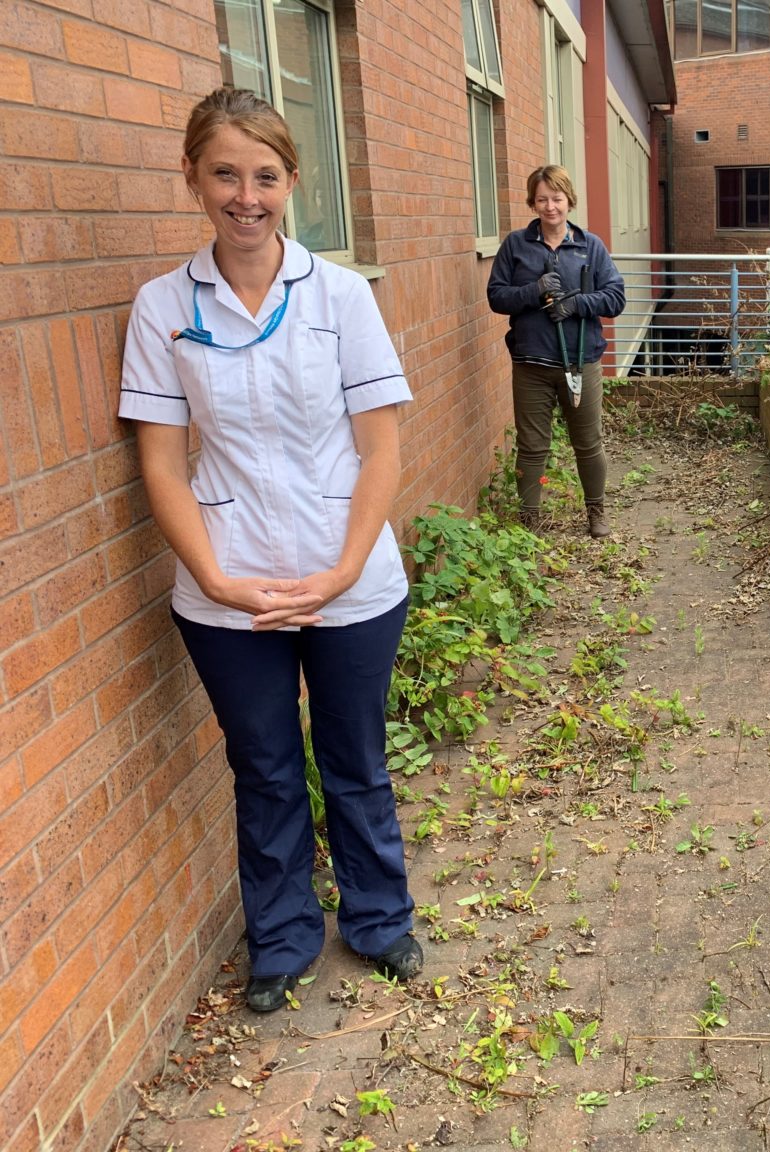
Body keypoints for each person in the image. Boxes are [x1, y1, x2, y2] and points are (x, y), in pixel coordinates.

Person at [119, 88, 422, 1012]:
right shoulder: (162, 306)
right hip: (227, 589)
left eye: (265, 176)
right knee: (263, 767)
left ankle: (378, 920)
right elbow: (161, 463)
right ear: (193, 178)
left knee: (355, 757)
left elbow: (382, 447)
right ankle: (283, 939)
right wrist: (213, 576)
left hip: (351, 581)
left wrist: (336, 573)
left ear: (292, 181)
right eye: (225, 174)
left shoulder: (338, 295)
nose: (245, 196)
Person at [487, 166, 626, 538]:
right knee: (532, 446)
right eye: (542, 199)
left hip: (581, 362)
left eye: (557, 198)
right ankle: (529, 519)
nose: (550, 206)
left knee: (588, 442)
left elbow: (615, 298)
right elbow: (496, 296)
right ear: (532, 202)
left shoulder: (589, 246)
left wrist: (577, 303)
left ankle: (596, 512)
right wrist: (533, 291)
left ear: (569, 200)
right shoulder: (516, 245)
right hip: (531, 363)